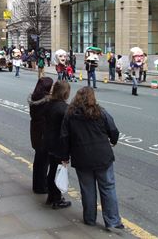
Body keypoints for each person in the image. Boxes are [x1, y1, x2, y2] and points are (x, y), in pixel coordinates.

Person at [60, 86, 124, 232]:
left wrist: (65, 156)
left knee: (87, 189)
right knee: (108, 188)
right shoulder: (100, 112)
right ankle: (113, 221)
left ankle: (89, 219)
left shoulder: (69, 114)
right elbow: (113, 130)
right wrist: (113, 141)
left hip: (82, 157)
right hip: (102, 156)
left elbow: (64, 137)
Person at [43, 81, 72, 209]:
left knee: (52, 170)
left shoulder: (48, 104)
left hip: (48, 141)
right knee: (58, 172)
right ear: (65, 93)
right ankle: (57, 199)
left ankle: (51, 197)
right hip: (59, 144)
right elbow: (67, 130)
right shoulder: (64, 108)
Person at [28, 77, 54, 194]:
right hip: (44, 133)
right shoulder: (47, 102)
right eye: (51, 85)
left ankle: (36, 185)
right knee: (43, 162)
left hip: (35, 131)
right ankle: (41, 187)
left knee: (38, 160)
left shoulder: (34, 98)